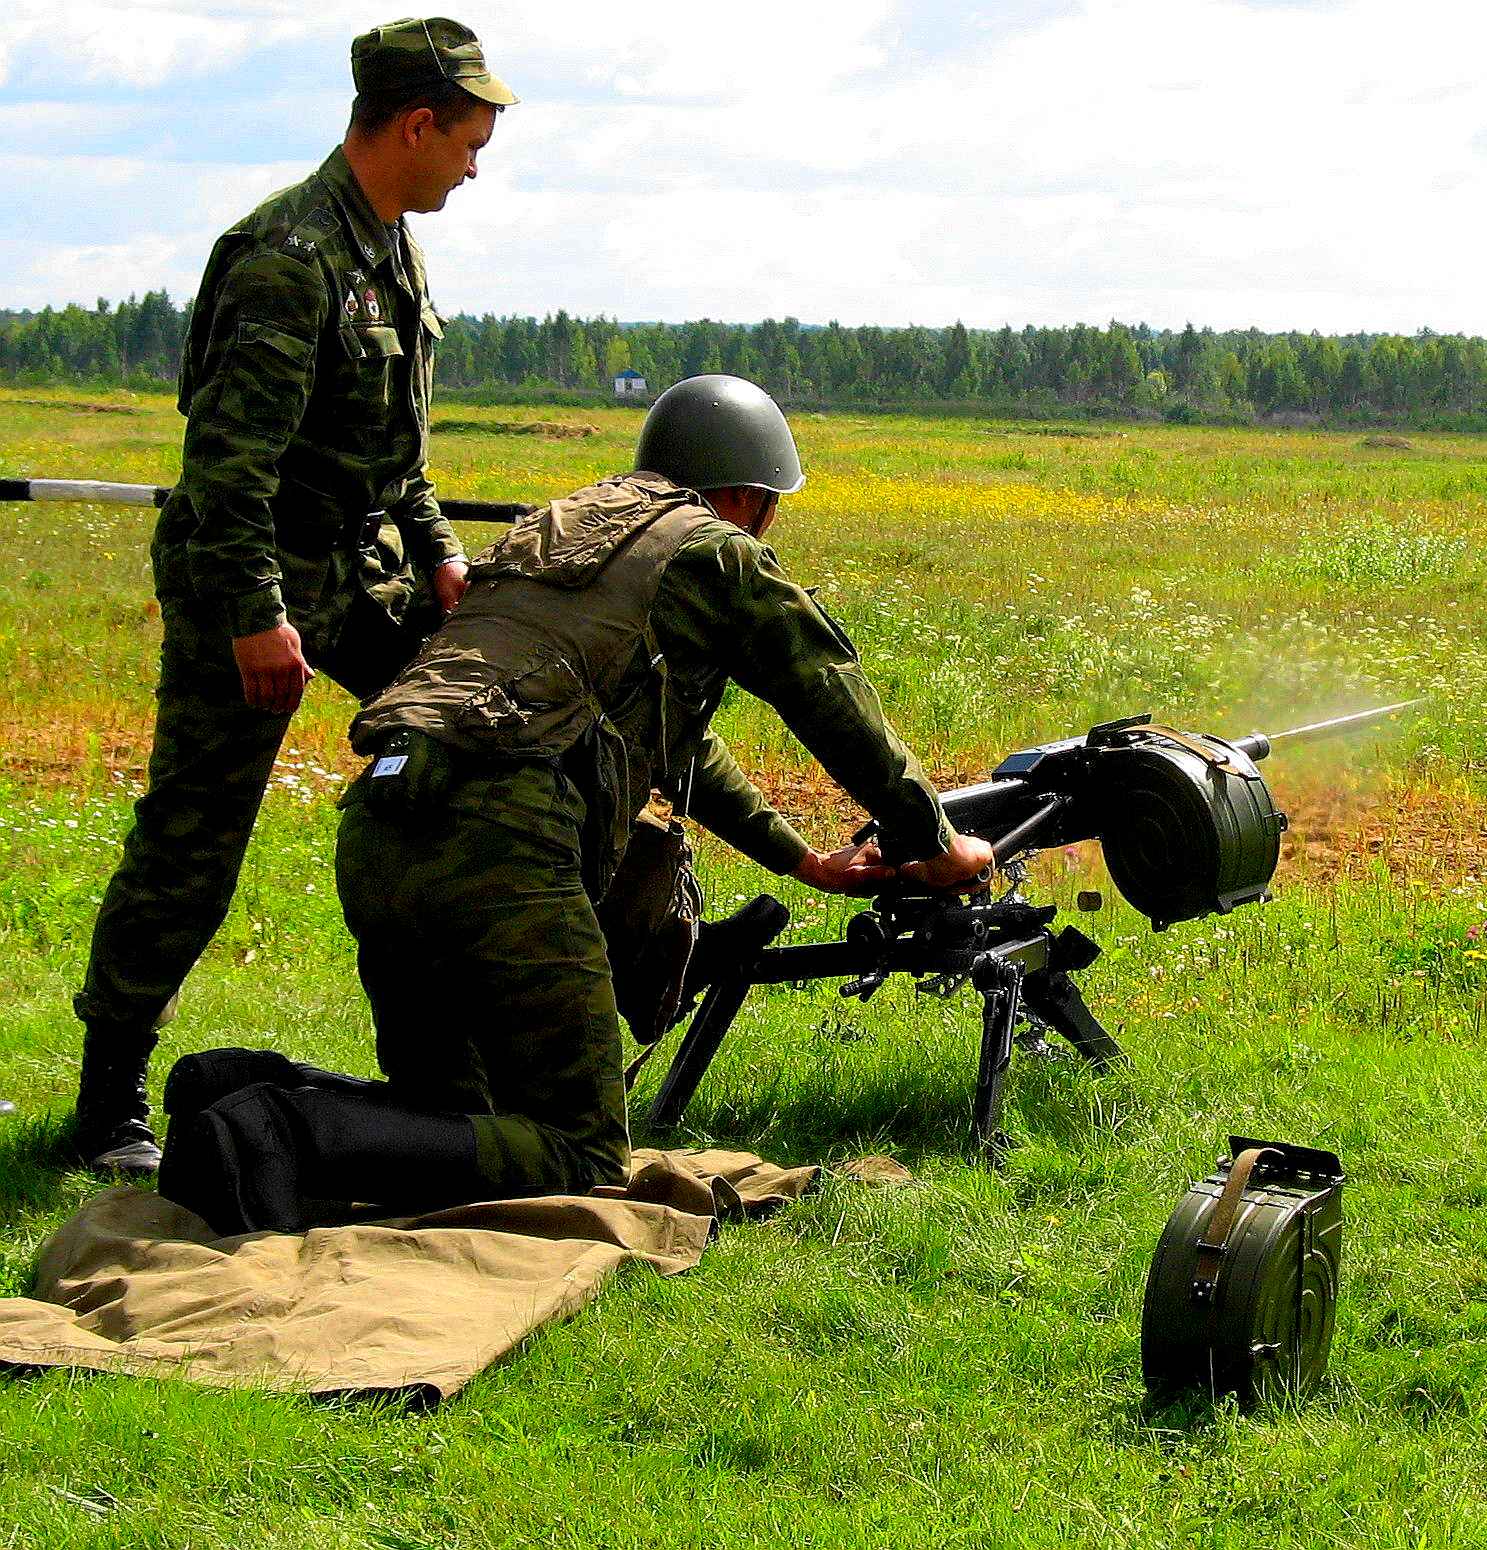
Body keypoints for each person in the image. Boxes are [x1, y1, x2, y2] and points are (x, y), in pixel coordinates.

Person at [156, 376, 994, 1235]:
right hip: (504, 844)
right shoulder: (716, 552)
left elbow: (676, 743)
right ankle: (280, 1130)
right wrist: (934, 840)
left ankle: (242, 1099)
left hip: (381, 819)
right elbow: (832, 702)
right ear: (746, 495)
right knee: (580, 1153)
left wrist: (802, 860)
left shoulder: (559, 531)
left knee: (456, 1114)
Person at [69, 18, 517, 1175]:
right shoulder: (286, 254)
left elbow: (396, 459)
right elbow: (229, 473)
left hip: (355, 569)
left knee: (476, 750)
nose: (475, 165)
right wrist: (255, 617)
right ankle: (109, 1092)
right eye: (469, 140)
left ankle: (458, 1057)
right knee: (196, 835)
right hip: (251, 572)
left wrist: (439, 555)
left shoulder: (391, 247)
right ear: (415, 125)